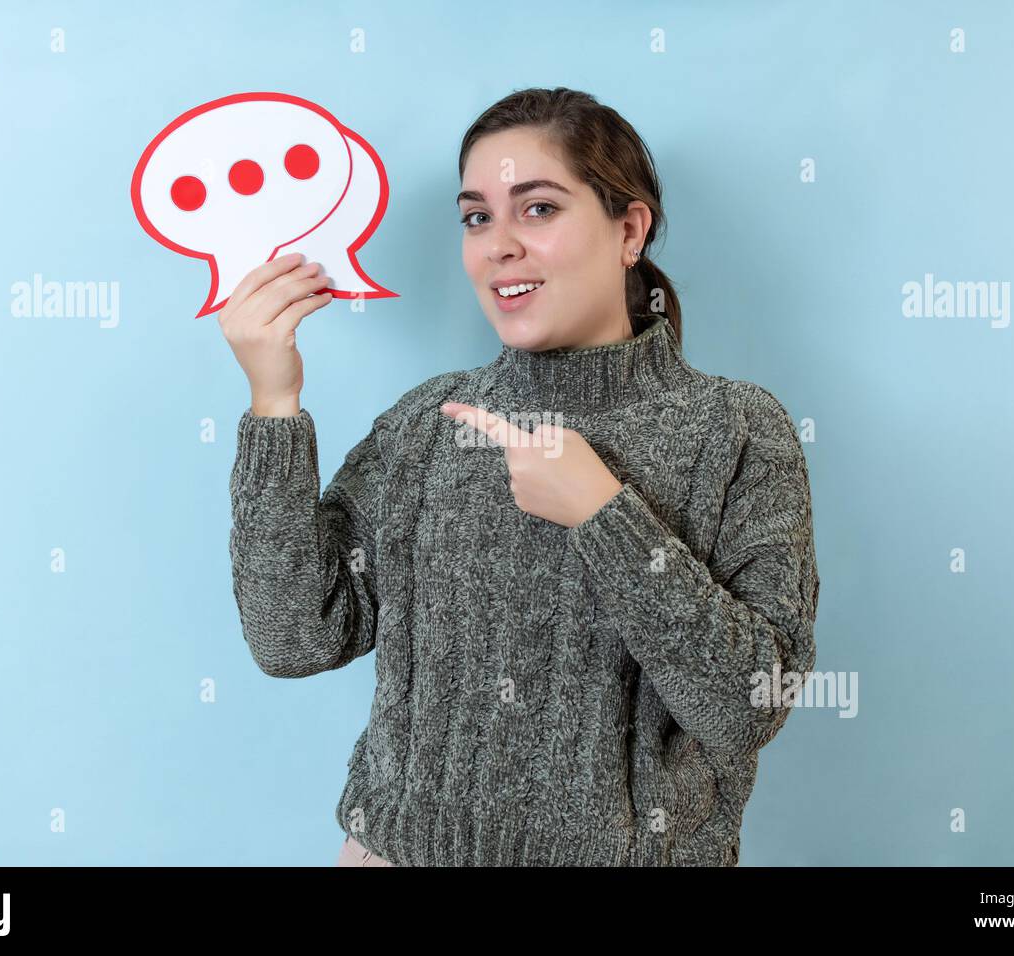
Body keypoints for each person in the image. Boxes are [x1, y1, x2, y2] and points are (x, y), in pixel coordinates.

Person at [220, 87, 820, 867]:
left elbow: (748, 705)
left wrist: (605, 514)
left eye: (537, 209)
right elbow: (294, 636)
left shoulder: (737, 430)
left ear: (628, 229)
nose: (499, 244)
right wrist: (274, 403)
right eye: (477, 217)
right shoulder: (428, 421)